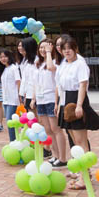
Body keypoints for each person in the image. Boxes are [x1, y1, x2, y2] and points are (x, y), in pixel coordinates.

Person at [56, 36, 99, 190]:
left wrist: (79, 105)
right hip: (65, 102)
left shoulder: (80, 64)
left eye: (69, 48)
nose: (67, 51)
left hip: (76, 100)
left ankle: (84, 178)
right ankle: (84, 173)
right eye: (64, 49)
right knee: (74, 141)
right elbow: (60, 85)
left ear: (76, 49)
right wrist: (58, 105)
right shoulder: (63, 64)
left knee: (81, 142)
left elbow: (83, 85)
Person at [31, 38, 67, 168]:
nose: (43, 50)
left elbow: (51, 68)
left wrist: (48, 53)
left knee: (55, 129)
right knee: (47, 130)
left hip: (51, 99)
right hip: (41, 100)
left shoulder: (56, 63)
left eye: (45, 47)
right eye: (41, 48)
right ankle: (55, 155)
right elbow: (35, 83)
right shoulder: (38, 64)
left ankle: (63, 158)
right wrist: (34, 99)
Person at [0, 49, 21, 141]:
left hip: (13, 99)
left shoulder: (13, 68)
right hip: (6, 100)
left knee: (10, 121)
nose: (3, 59)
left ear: (9, 57)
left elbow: (18, 81)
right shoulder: (4, 69)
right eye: (1, 57)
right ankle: (14, 140)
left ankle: (13, 141)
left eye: (5, 56)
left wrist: (20, 96)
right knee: (11, 122)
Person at [18, 38, 37, 111]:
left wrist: (33, 98)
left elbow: (34, 80)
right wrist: (23, 93)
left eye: (23, 46)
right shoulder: (25, 60)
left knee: (36, 118)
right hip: (27, 93)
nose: (21, 48)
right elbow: (24, 79)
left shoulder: (36, 61)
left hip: (33, 94)